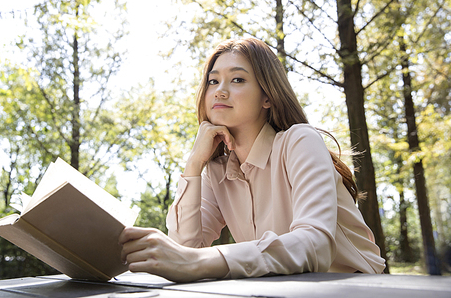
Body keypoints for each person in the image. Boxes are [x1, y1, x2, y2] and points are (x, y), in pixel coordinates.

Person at [118, 37, 386, 282]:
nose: (220, 92)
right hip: (278, 289)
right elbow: (185, 252)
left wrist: (197, 261)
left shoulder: (300, 142)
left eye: (237, 80)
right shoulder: (216, 172)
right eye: (213, 81)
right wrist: (193, 165)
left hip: (356, 288)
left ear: (267, 96)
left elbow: (315, 246)